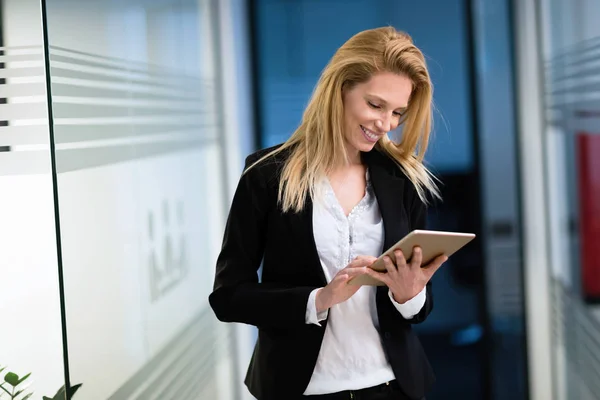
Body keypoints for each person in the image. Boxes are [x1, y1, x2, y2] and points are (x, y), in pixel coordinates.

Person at [209, 26, 448, 400]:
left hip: (391, 387)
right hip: (300, 389)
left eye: (398, 112)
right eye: (375, 104)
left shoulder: (403, 179)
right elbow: (227, 296)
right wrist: (318, 299)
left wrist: (409, 296)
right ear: (339, 89)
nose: (385, 124)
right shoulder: (267, 175)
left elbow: (421, 307)